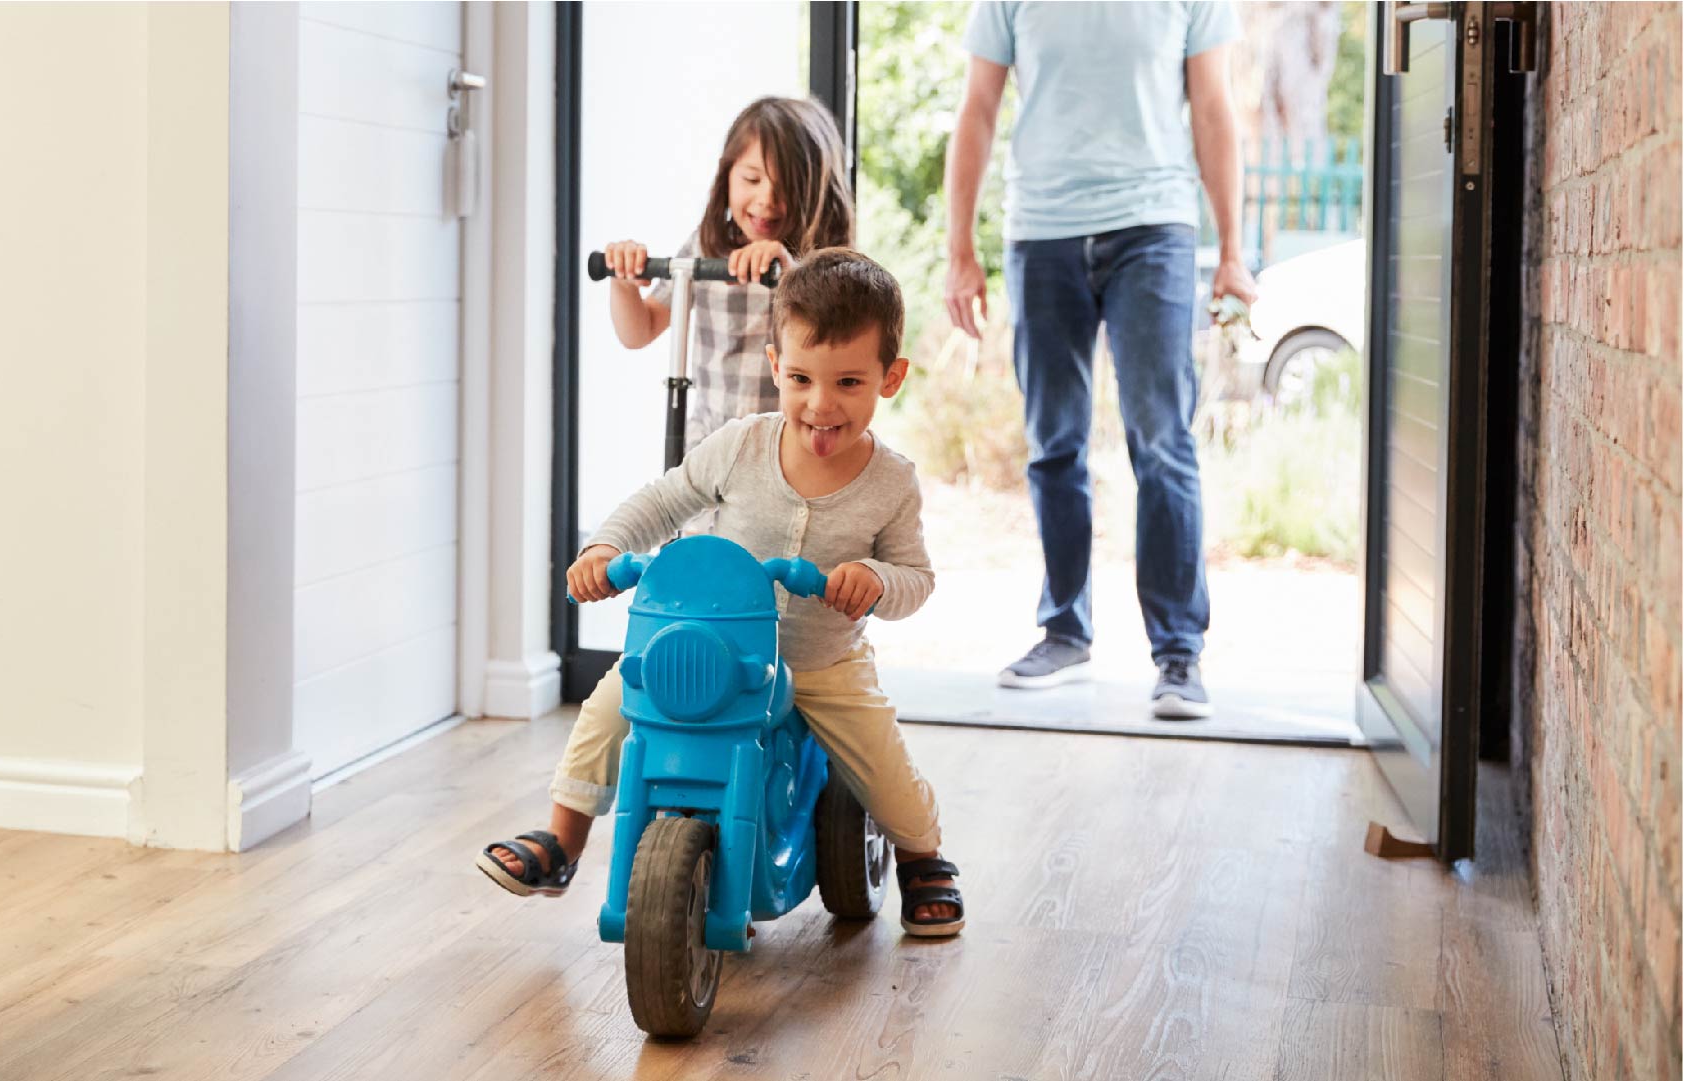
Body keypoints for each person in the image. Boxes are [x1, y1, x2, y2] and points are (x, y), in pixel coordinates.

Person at [478, 250, 964, 938]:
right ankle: (562, 840)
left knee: (881, 765)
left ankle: (922, 856)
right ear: (775, 368)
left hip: (822, 662)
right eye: (800, 378)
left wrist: (878, 581)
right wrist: (603, 547)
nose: (820, 404)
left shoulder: (891, 482)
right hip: (715, 648)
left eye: (848, 382)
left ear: (890, 378)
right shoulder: (740, 445)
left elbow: (916, 578)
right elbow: (663, 499)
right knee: (614, 705)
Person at [943, 2, 1260, 720]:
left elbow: (1212, 109)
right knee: (1053, 442)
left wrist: (1233, 251)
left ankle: (1178, 651)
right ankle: (1064, 629)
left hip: (1153, 226)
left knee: (1163, 440)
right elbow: (976, 112)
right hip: (1041, 230)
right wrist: (958, 251)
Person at [600, 95, 854, 455]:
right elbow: (639, 330)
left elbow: (840, 346)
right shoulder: (707, 247)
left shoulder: (824, 265)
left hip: (788, 451)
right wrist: (623, 284)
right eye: (752, 179)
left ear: (815, 190)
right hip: (711, 448)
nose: (766, 199)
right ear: (727, 176)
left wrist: (790, 275)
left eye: (786, 188)